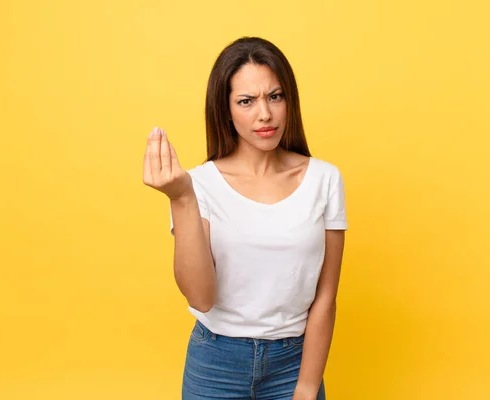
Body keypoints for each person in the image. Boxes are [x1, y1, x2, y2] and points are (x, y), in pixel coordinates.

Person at [143, 37, 347, 400]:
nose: (264, 114)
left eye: (275, 96)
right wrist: (182, 198)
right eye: (246, 101)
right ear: (226, 109)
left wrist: (306, 386)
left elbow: (325, 297)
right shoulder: (198, 184)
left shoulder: (324, 179)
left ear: (289, 101)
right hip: (216, 362)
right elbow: (201, 297)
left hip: (295, 362)